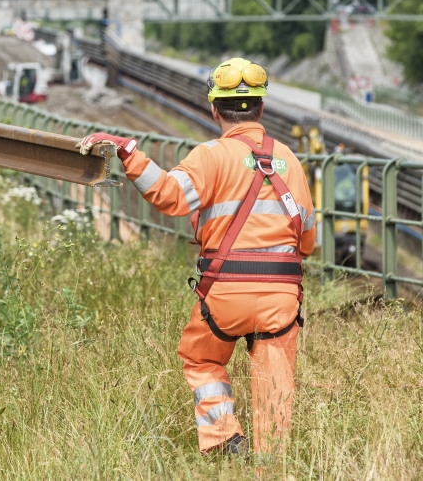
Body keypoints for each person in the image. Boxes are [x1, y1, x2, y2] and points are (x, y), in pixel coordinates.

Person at [78, 58, 316, 456]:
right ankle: (272, 465)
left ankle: (224, 436)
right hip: (281, 298)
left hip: (225, 295)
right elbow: (306, 241)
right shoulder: (289, 160)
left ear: (213, 109)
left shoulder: (210, 156)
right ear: (261, 107)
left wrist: (128, 152)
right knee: (275, 388)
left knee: (201, 358)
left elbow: (169, 195)